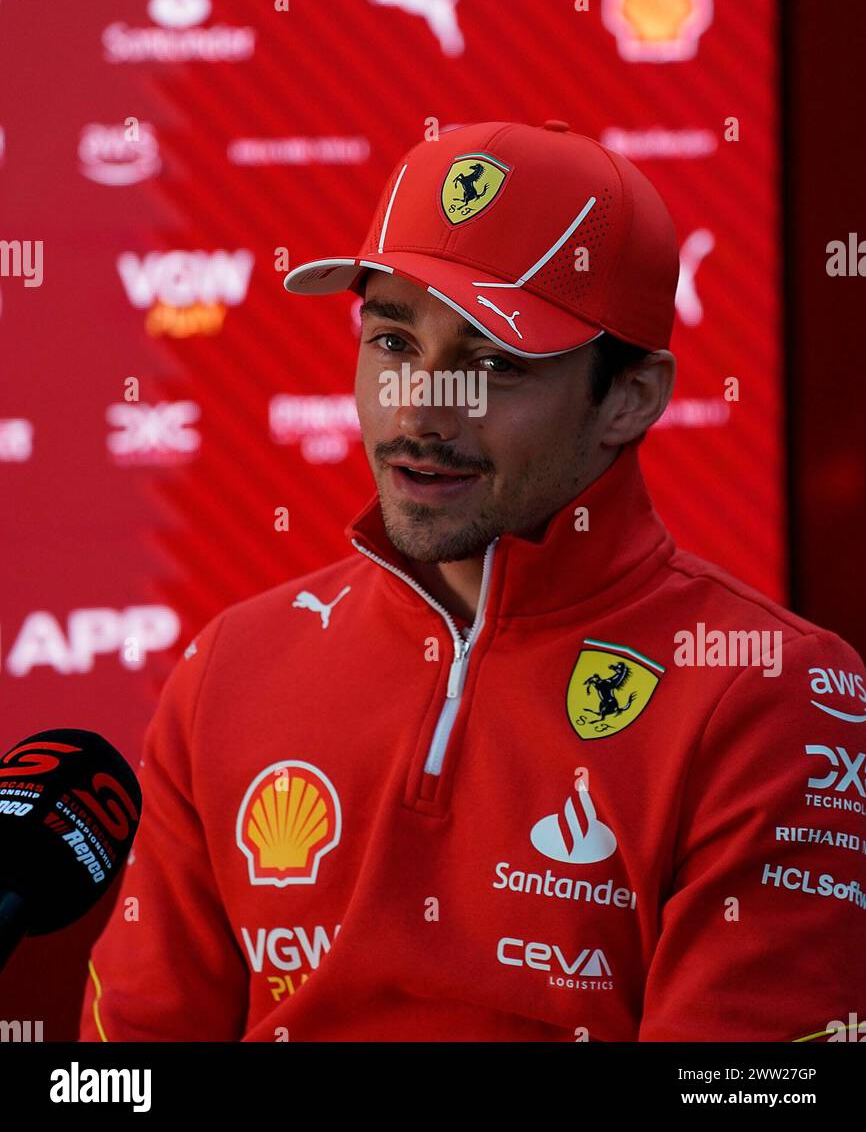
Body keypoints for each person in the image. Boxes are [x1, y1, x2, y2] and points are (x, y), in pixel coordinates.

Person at [79, 121, 866, 1043]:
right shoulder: (231, 668)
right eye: (394, 343)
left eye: (493, 363)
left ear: (631, 398)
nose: (421, 410)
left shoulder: (772, 693)